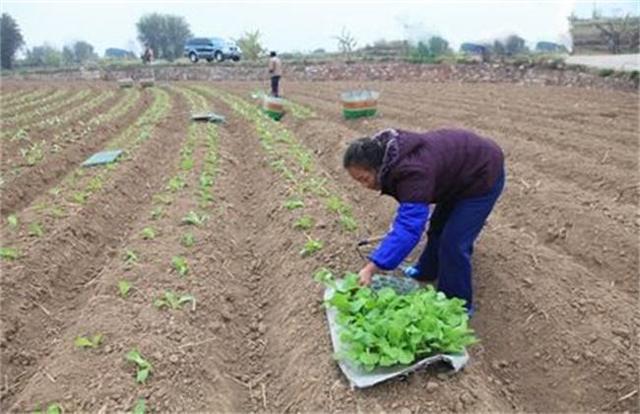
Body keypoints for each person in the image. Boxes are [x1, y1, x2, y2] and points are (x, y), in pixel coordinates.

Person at [343, 128, 505, 315]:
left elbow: (409, 227)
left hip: (482, 174)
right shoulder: (387, 154)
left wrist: (372, 267)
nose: (366, 186)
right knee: (437, 229)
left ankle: (456, 307)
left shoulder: (412, 172)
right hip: (457, 176)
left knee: (454, 243)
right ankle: (426, 271)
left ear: (377, 167)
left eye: (365, 179)